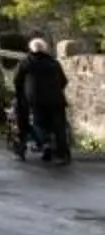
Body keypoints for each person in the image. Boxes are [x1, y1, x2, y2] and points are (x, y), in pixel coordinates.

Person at [14, 37, 72, 165]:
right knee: (59, 128)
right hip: (56, 100)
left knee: (39, 124)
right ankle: (62, 155)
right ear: (45, 49)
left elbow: (17, 81)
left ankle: (45, 143)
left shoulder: (26, 63)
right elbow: (63, 81)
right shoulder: (54, 63)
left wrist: (22, 95)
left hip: (35, 100)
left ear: (31, 49)